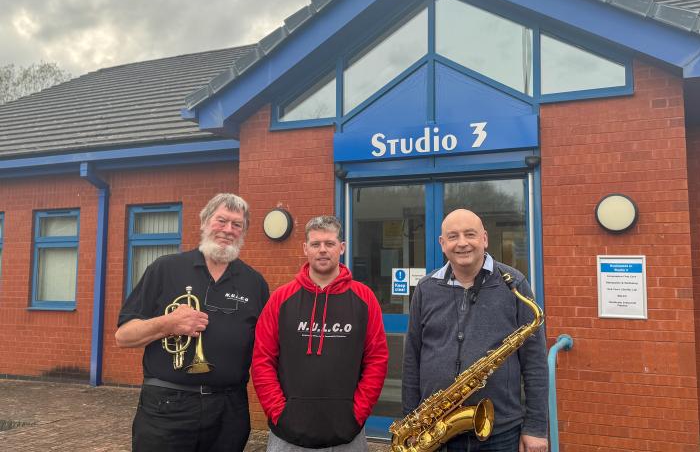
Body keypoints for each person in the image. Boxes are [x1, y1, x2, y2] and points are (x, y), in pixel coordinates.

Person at [115, 193, 270, 452]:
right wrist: (168, 323)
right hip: (167, 406)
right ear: (204, 222)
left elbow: (267, 348)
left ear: (244, 232)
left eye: (237, 225)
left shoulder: (254, 282)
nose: (228, 230)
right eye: (221, 221)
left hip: (229, 410)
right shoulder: (165, 268)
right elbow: (123, 336)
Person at [402, 209, 548, 452]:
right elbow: (412, 358)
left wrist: (535, 427)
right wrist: (410, 422)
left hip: (500, 432)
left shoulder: (514, 283)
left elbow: (535, 362)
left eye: (470, 234)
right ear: (442, 243)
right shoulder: (426, 288)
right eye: (453, 236)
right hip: (434, 431)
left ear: (484, 239)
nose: (462, 243)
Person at [251, 215, 388, 451]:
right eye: (316, 244)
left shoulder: (364, 298)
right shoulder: (281, 299)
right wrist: (278, 412)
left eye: (330, 243)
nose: (322, 250)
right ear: (305, 248)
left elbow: (377, 359)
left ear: (341, 248)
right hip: (287, 436)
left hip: (348, 435)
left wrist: (357, 413)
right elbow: (262, 359)